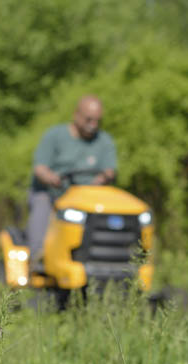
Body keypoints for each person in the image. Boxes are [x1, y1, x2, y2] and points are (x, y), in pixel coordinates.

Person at [26, 95, 117, 269]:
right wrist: (51, 178)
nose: (93, 125)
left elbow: (109, 171)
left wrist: (102, 178)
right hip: (53, 193)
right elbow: (40, 169)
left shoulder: (104, 141)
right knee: (41, 202)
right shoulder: (54, 135)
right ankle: (38, 258)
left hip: (87, 197)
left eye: (97, 120)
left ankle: (108, 258)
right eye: (89, 119)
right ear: (76, 115)